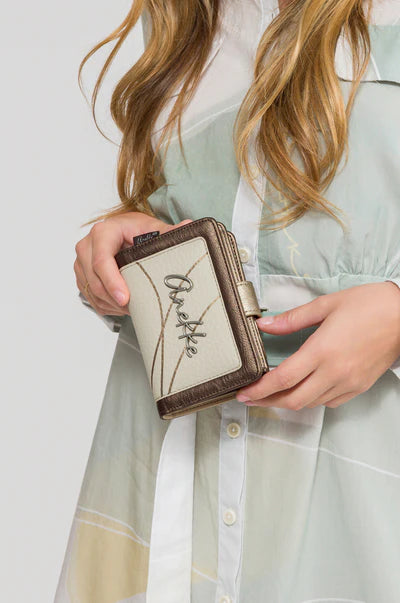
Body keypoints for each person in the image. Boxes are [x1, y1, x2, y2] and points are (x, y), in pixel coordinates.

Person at [54, 0, 400, 601]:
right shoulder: (181, 19)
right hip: (167, 474)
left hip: (356, 483)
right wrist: (124, 250)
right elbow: (187, 214)